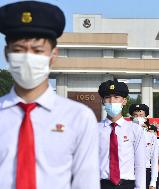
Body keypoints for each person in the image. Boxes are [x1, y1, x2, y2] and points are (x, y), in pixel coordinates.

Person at [0, 1, 100, 189]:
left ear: (53, 55)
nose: (28, 58)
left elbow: (85, 183)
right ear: (7, 54)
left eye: (37, 51)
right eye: (19, 51)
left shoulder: (78, 118)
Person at [98, 80, 146, 189]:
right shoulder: (95, 129)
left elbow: (139, 164)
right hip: (102, 184)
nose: (112, 101)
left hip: (127, 184)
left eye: (116, 97)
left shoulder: (134, 129)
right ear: (102, 101)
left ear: (124, 101)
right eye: (107, 97)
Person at [129, 103, 158, 189]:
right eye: (135, 115)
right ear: (131, 118)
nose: (138, 117)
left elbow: (154, 159)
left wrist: (153, 182)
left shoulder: (151, 136)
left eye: (141, 115)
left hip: (146, 172)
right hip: (129, 172)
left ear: (145, 118)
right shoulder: (126, 134)